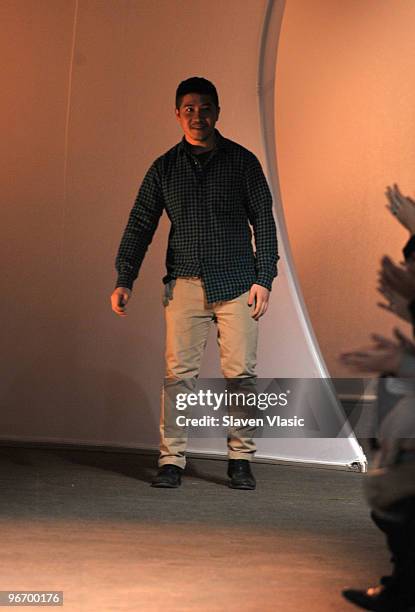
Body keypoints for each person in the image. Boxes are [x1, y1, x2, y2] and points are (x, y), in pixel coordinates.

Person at [111, 77, 279, 489]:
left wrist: (264, 277)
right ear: (177, 114)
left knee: (241, 374)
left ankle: (240, 459)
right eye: (189, 109)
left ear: (217, 112)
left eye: (205, 108)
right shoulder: (164, 168)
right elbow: (140, 224)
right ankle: (172, 461)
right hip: (184, 283)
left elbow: (264, 220)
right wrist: (124, 277)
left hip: (238, 281)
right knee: (178, 375)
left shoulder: (242, 162)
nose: (197, 116)